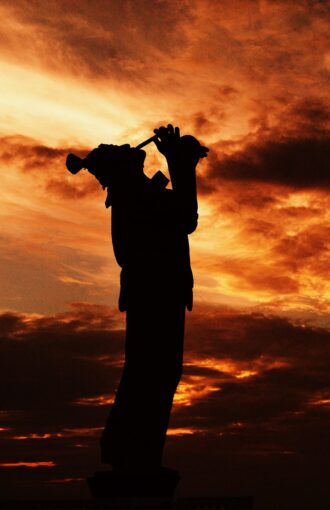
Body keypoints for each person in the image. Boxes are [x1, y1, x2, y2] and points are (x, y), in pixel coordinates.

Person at [81, 124, 208, 473]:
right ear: (120, 169)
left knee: (155, 372)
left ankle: (133, 451)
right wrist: (181, 166)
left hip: (156, 293)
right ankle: (130, 451)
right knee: (154, 371)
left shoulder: (136, 194)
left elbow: (181, 215)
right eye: (121, 149)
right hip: (157, 294)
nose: (129, 146)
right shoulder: (134, 196)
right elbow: (186, 217)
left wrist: (180, 165)